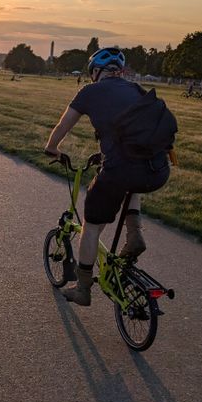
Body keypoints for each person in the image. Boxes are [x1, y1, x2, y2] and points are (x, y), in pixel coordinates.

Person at [44, 47, 170, 306]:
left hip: (121, 171)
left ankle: (82, 288)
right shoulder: (136, 90)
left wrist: (52, 148)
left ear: (95, 72)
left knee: (91, 226)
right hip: (156, 170)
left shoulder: (89, 92)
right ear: (120, 71)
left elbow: (63, 125)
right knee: (132, 181)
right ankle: (134, 234)